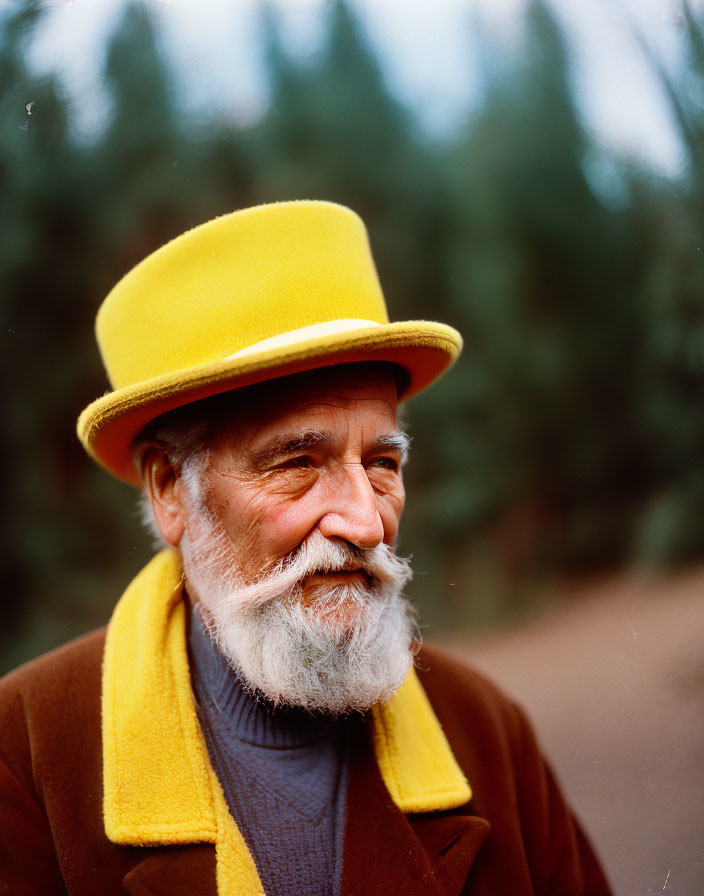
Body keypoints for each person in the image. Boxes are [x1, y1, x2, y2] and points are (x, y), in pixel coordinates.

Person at [0, 200, 612, 895]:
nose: (366, 523)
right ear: (170, 489)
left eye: (383, 463)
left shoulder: (490, 735)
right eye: (297, 462)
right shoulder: (22, 753)